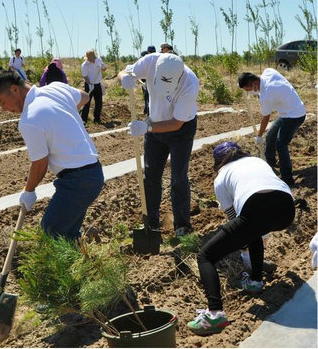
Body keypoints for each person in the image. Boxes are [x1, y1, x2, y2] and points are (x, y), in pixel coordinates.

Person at [187, 141, 295, 336]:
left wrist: (242, 245)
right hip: (287, 208)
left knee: (205, 256)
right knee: (253, 229)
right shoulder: (256, 161)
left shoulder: (221, 177)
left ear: (217, 163)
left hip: (254, 207)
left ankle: (214, 313)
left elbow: (234, 218)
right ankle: (255, 281)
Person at [0, 70, 104, 240]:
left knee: (50, 234)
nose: (4, 109)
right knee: (67, 235)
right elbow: (84, 97)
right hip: (93, 173)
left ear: (14, 90)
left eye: (2, 102)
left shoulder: (29, 119)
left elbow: (40, 163)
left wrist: (29, 190)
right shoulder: (55, 89)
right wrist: (62, 113)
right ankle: (77, 262)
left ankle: (65, 265)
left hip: (76, 181)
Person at [118, 53, 199, 237]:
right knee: (150, 176)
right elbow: (123, 72)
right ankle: (151, 224)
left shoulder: (190, 84)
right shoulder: (149, 62)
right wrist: (125, 79)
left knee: (178, 177)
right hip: (154, 125)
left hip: (180, 130)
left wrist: (146, 127)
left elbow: (176, 124)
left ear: (179, 77)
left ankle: (182, 226)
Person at [237, 69, 306, 186]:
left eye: (248, 90)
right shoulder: (268, 72)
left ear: (254, 84)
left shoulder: (266, 94)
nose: (250, 93)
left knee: (281, 143)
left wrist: (259, 135)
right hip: (286, 112)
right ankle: (270, 164)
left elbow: (265, 118)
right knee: (270, 136)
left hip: (295, 115)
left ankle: (287, 178)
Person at [80, 49, 106, 124]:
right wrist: (90, 84)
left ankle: (97, 119)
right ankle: (84, 120)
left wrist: (103, 67)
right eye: (92, 59)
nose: (94, 60)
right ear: (88, 58)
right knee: (87, 102)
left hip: (98, 84)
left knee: (99, 102)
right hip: (89, 85)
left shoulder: (98, 60)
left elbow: (104, 69)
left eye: (94, 58)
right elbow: (85, 77)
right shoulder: (84, 65)